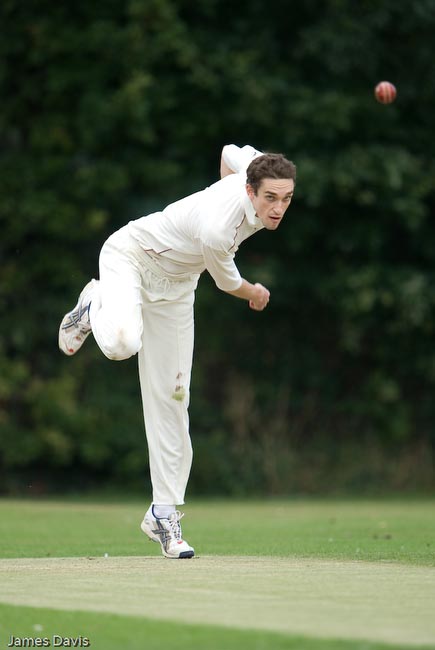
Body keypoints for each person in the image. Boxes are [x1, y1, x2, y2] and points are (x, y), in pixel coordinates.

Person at [58, 144, 296, 559]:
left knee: (173, 397)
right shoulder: (219, 230)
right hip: (132, 257)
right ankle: (93, 306)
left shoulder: (255, 166)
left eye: (287, 198)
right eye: (270, 198)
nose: (278, 208)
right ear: (250, 190)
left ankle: (162, 514)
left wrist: (218, 189)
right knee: (122, 344)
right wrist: (256, 292)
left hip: (177, 288)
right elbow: (229, 284)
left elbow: (229, 151)